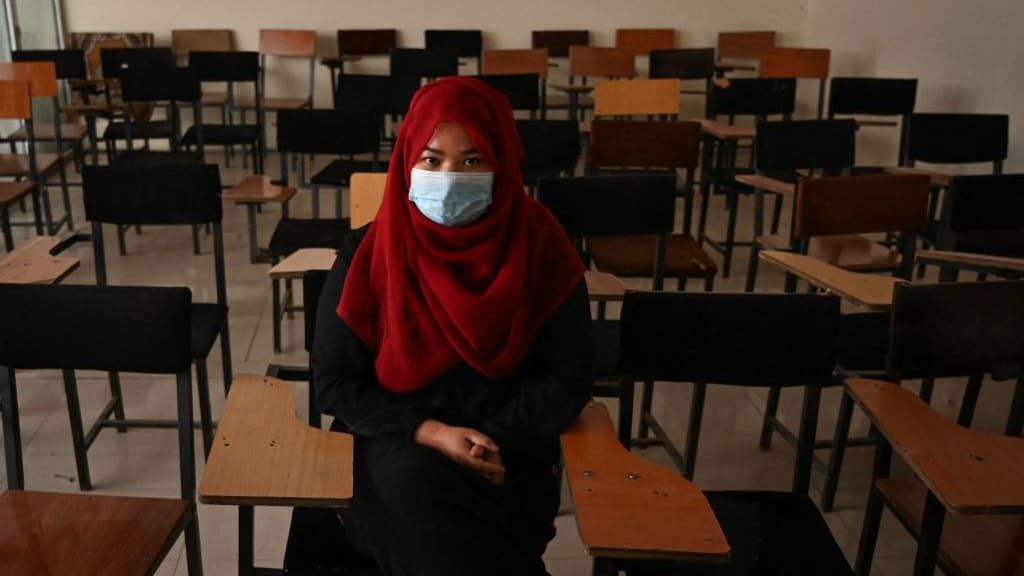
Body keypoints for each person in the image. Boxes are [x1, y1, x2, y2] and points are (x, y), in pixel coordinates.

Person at [312, 76, 593, 575]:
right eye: (431, 159)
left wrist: (483, 440)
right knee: (415, 489)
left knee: (437, 517)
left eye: (472, 160)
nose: (449, 176)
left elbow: (567, 377)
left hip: (508, 451)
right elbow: (335, 384)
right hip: (397, 440)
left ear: (502, 164)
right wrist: (434, 432)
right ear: (406, 163)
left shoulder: (542, 247)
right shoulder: (368, 253)